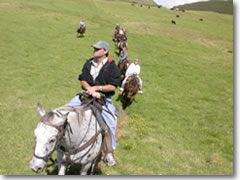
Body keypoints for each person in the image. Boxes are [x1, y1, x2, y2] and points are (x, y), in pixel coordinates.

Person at [65, 41, 121, 166]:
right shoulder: (88, 62)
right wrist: (89, 89)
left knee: (110, 124)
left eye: (98, 49)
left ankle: (109, 153)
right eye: (94, 48)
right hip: (85, 95)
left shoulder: (112, 66)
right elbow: (83, 80)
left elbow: (112, 87)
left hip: (104, 98)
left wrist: (97, 89)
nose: (95, 50)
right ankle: (60, 143)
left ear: (105, 51)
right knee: (65, 110)